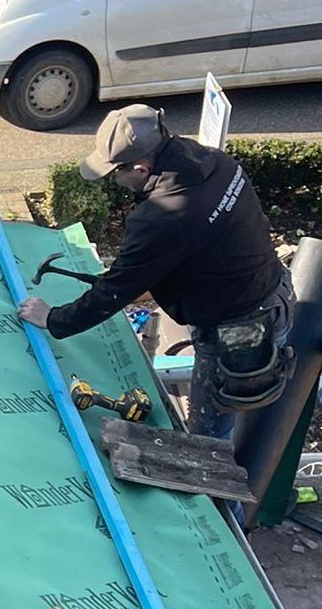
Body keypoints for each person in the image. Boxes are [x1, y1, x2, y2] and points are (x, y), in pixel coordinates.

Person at [17, 105, 294, 437]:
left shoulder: (163, 216)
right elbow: (214, 239)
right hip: (273, 290)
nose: (115, 180)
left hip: (240, 331)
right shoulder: (214, 162)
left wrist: (54, 319)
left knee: (208, 442)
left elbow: (115, 292)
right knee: (250, 406)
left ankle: (219, 486)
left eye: (116, 172)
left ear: (140, 167)